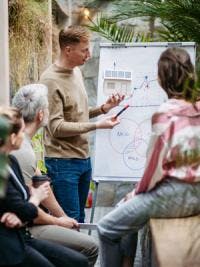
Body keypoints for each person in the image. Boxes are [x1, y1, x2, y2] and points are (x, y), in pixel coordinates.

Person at [97, 47, 200, 267]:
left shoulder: (166, 113)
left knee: (107, 227)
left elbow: (154, 169)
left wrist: (134, 194)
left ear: (162, 79)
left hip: (174, 194)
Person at [40, 25, 124, 222]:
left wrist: (103, 109)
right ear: (68, 50)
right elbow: (57, 127)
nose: (89, 54)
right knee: (70, 222)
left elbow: (76, 114)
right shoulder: (50, 80)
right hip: (62, 163)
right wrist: (97, 125)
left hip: (83, 160)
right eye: (84, 50)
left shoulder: (76, 72)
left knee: (80, 219)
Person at [12, 83, 98, 267]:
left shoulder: (26, 143)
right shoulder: (22, 150)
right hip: (22, 228)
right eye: (48, 109)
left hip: (27, 219)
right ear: (40, 115)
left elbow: (41, 184)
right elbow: (29, 212)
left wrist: (63, 216)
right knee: (90, 247)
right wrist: (58, 222)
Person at [0, 107, 89, 267]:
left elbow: (22, 204)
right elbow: (26, 208)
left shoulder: (11, 162)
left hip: (22, 233)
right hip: (9, 245)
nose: (24, 136)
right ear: (12, 138)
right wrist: (36, 198)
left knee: (79, 261)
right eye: (21, 132)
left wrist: (20, 213)